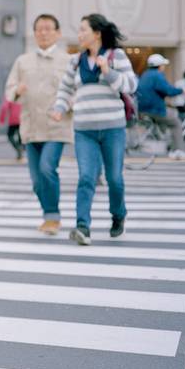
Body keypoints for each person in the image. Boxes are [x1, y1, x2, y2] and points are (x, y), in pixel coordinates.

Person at [51, 13, 138, 245]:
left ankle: (118, 215)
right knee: (86, 178)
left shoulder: (115, 56)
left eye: (83, 30)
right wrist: (59, 108)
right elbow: (65, 89)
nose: (79, 35)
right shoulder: (75, 61)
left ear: (97, 34)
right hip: (84, 130)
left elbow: (131, 85)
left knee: (115, 179)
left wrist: (108, 72)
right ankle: (82, 226)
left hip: (113, 129)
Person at [5, 14, 73, 236]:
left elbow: (78, 91)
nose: (43, 33)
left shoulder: (69, 61)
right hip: (31, 127)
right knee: (36, 180)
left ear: (58, 33)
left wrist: (66, 106)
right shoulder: (23, 61)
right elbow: (9, 90)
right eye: (39, 29)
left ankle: (52, 216)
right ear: (34, 33)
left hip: (57, 127)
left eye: (48, 29)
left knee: (47, 168)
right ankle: (48, 214)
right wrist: (17, 91)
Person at [137, 53, 185, 159]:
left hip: (144, 109)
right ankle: (179, 150)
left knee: (169, 118)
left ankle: (170, 146)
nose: (164, 67)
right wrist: (182, 90)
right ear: (159, 65)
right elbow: (168, 90)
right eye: (163, 64)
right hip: (154, 109)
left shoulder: (146, 74)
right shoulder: (157, 75)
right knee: (176, 123)